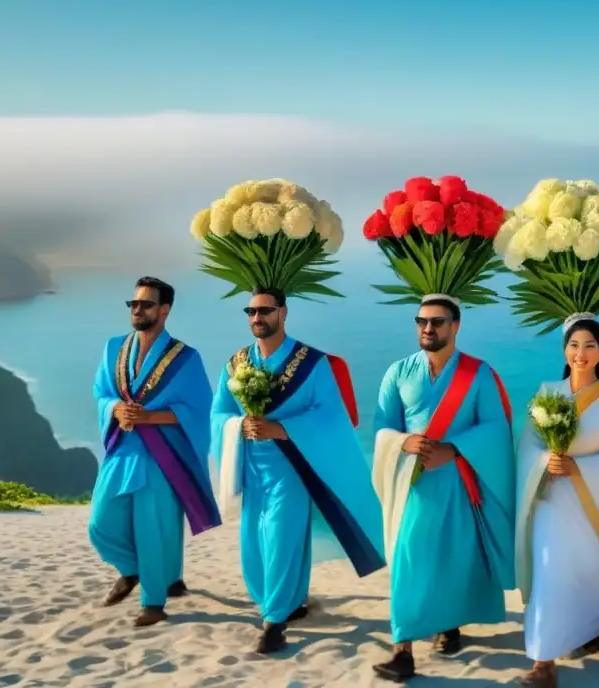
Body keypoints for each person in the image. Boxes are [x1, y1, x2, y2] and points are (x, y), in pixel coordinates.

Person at [211, 287, 385, 654]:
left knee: (281, 539)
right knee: (254, 548)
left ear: (283, 313)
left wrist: (283, 428)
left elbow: (330, 415)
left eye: (265, 311)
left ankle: (274, 623)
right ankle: (286, 604)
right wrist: (238, 425)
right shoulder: (237, 363)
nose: (257, 318)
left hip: (292, 469)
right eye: (251, 311)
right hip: (253, 470)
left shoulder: (312, 363)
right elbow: (219, 413)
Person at [370, 294, 516, 682]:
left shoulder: (478, 373)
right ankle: (402, 649)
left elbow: (496, 427)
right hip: (412, 486)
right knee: (408, 560)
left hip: (458, 484)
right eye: (421, 321)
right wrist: (403, 442)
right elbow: (382, 426)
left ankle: (449, 626)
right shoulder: (397, 372)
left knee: (453, 559)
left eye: (437, 321)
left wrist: (453, 449)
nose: (428, 328)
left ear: (456, 325)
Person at [515, 313, 599, 687]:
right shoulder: (547, 393)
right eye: (574, 345)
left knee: (588, 576)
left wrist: (579, 468)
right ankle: (543, 663)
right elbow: (527, 446)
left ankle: (589, 630)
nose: (581, 352)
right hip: (551, 504)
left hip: (593, 508)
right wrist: (546, 460)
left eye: (590, 345)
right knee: (549, 575)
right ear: (564, 350)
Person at [88, 276, 221, 627]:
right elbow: (101, 392)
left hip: (162, 456)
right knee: (100, 523)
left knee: (153, 527)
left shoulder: (186, 358)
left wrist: (149, 416)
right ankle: (131, 570)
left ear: (164, 310)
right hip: (124, 448)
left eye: (145, 304)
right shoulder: (113, 348)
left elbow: (197, 410)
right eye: (133, 303)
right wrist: (116, 408)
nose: (137, 309)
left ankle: (153, 602)